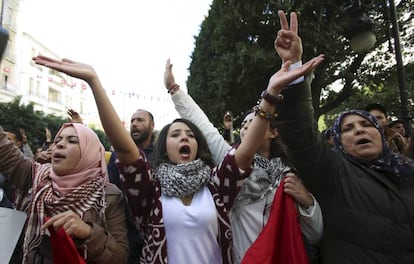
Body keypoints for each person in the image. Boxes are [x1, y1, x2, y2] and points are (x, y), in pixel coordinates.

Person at [32, 50, 321, 264]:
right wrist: (94, 82)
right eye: (175, 134)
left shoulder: (217, 187)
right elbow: (124, 148)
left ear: (197, 146)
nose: (184, 137)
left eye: (190, 135)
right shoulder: (149, 190)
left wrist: (271, 94)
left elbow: (245, 151)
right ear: (164, 147)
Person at [273, 10, 414, 263]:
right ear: (338, 143)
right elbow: (299, 135)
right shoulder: (334, 171)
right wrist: (294, 68)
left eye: (366, 124)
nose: (359, 130)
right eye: (347, 129)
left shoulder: (407, 171)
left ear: (381, 134)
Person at [164, 59, 323, 263]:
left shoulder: (288, 177)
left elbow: (315, 236)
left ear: (273, 132)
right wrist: (174, 90)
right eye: (245, 124)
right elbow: (204, 127)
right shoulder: (232, 166)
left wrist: (308, 203)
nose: (248, 127)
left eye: (256, 121)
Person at [0, 122, 128, 263]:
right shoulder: (35, 176)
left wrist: (89, 233)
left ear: (89, 153)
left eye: (72, 141)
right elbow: (5, 150)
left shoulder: (108, 196)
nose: (59, 145)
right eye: (57, 140)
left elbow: (120, 257)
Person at [106, 108, 155, 264]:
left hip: (154, 235)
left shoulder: (162, 155)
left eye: (140, 120)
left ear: (152, 125)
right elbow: (111, 190)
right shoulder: (116, 156)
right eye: (133, 120)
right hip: (125, 235)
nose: (134, 124)